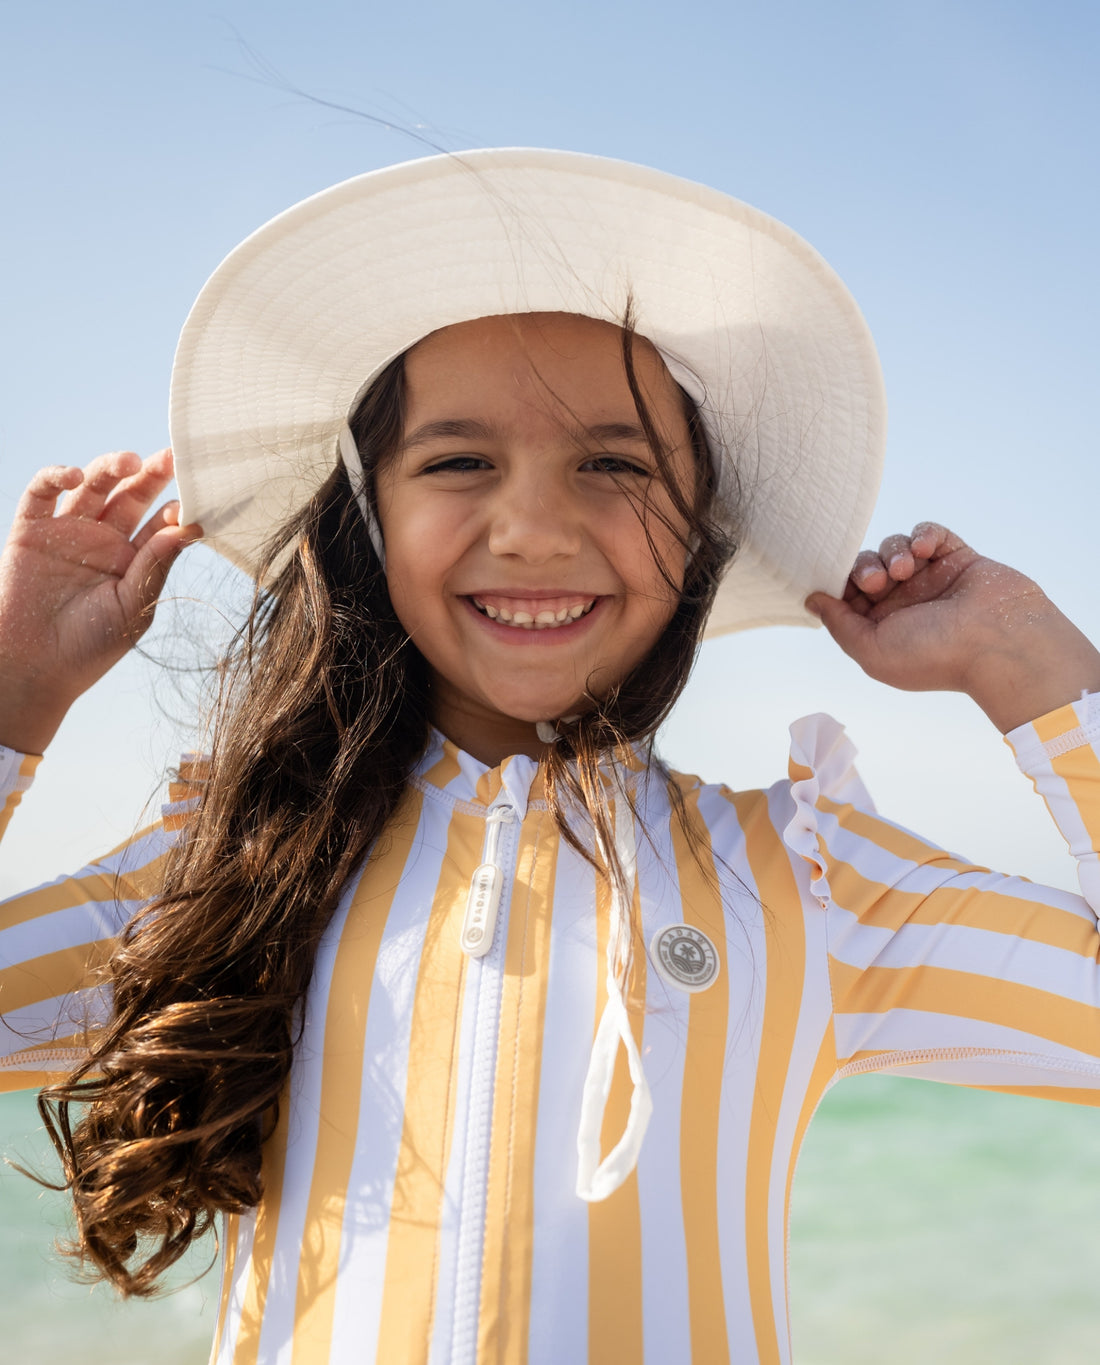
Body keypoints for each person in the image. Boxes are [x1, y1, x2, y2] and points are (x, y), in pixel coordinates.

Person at [1, 149, 1099, 1365]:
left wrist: (1033, 669)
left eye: (616, 465)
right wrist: (18, 693)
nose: (531, 528)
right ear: (366, 521)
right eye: (458, 460)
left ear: (700, 535)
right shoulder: (224, 871)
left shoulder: (804, 878)